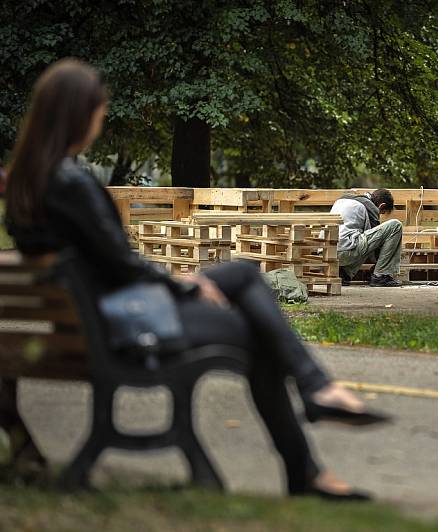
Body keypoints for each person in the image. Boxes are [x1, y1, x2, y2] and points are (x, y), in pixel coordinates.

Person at [2, 58, 390, 499]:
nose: (101, 118)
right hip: (125, 325)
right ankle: (309, 446)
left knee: (243, 274)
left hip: (89, 318)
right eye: (98, 110)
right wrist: (182, 284)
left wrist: (177, 278)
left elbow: (101, 262)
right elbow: (118, 263)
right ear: (77, 113)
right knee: (257, 332)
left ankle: (317, 393)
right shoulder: (70, 182)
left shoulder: (26, 185)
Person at [331, 189, 403, 287]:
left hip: (326, 251)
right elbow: (374, 245)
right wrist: (379, 266)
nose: (379, 215)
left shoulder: (343, 200)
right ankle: (380, 276)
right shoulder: (370, 208)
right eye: (382, 212)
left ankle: (343, 273)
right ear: (381, 206)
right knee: (395, 225)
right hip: (344, 251)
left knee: (356, 238)